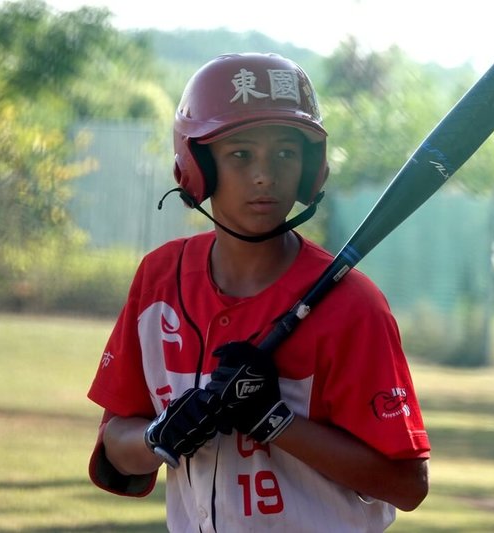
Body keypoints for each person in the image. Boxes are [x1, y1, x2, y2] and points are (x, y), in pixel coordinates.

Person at [87, 52, 431, 532]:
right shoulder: (159, 279)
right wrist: (160, 435)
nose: (265, 175)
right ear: (197, 166)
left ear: (310, 169)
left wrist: (277, 421)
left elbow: (406, 484)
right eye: (240, 154)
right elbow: (115, 449)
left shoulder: (352, 303)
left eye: (285, 153)